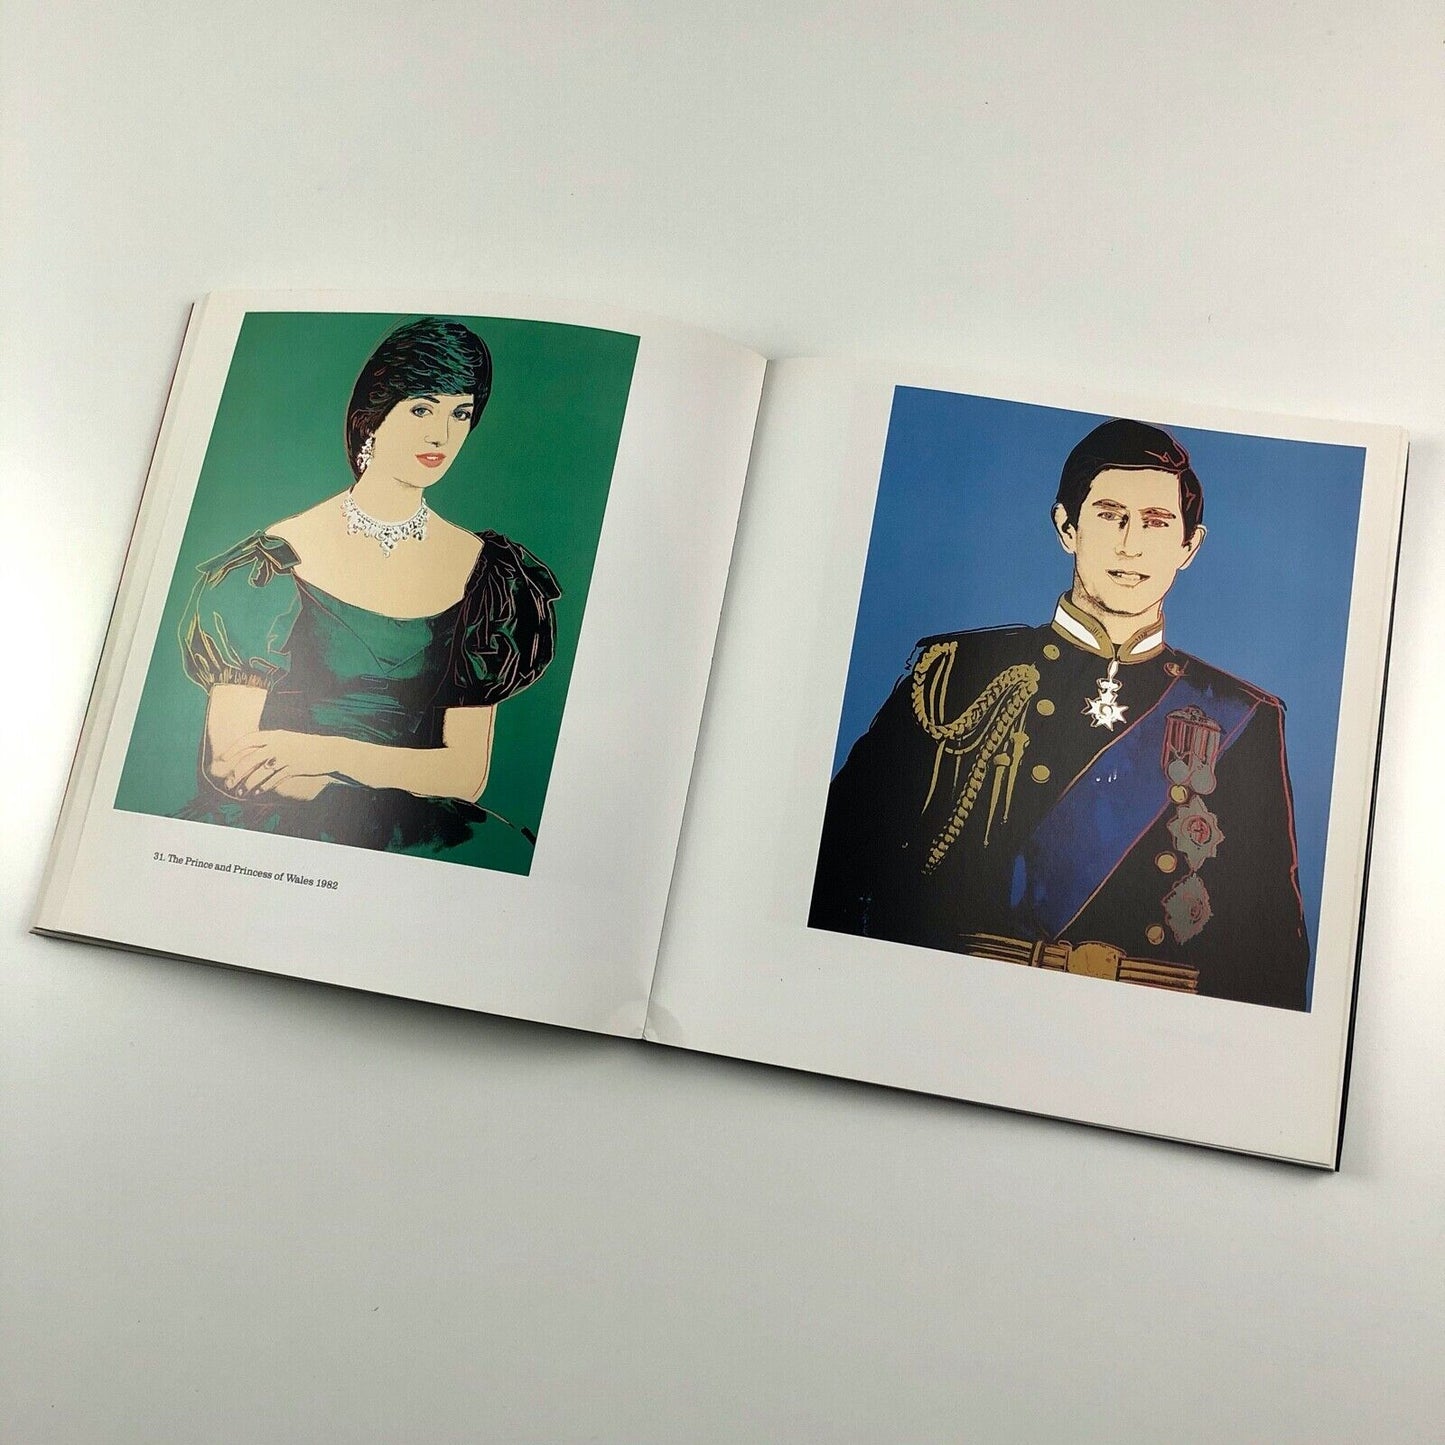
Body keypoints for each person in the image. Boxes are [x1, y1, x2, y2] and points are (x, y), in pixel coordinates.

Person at [808, 418, 1310, 1010]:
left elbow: (1271, 952)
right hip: (958, 1008)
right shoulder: (951, 674)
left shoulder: (1244, 718)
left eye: (1156, 522)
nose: (1130, 544)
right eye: (1110, 515)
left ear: (1188, 546)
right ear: (1066, 527)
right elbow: (834, 868)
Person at [175, 316, 560, 858]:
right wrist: (375, 781)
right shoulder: (271, 563)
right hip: (278, 826)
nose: (441, 435)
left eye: (460, 413)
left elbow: (464, 775)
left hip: (429, 835)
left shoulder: (488, 577)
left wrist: (323, 755)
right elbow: (230, 762)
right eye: (422, 409)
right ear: (372, 418)